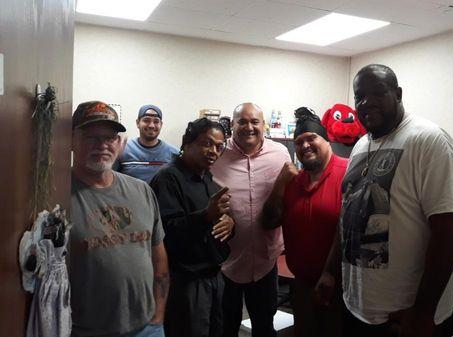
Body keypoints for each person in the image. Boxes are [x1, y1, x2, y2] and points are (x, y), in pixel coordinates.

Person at [317, 64, 453, 337]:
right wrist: (330, 271)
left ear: (398, 94)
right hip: (357, 306)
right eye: (360, 96)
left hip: (403, 316)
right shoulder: (362, 145)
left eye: (378, 92)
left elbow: (450, 227)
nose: (367, 102)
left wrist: (423, 312)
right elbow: (348, 216)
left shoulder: (429, 140)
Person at [69, 101, 169, 337]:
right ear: (71, 139)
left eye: (110, 137)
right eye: (91, 137)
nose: (102, 145)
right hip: (85, 330)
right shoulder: (55, 195)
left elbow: (159, 258)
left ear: (120, 142)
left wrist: (158, 316)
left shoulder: (141, 190)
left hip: (148, 327)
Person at [261, 107, 347, 337]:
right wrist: (280, 183)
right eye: (298, 142)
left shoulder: (348, 173)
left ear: (327, 141)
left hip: (341, 287)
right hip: (302, 285)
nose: (305, 145)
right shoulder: (293, 182)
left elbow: (352, 230)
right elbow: (268, 222)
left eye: (311, 138)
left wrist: (329, 273)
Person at [211, 103, 291, 337]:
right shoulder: (217, 153)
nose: (249, 127)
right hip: (225, 260)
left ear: (263, 124)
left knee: (265, 324)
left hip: (265, 259)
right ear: (232, 125)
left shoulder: (280, 154)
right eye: (242, 121)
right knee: (225, 325)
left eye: (254, 121)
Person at [150, 118, 235, 337]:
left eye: (219, 146)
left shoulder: (208, 179)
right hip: (186, 282)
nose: (213, 151)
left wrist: (230, 223)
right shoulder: (168, 179)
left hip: (215, 277)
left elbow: (219, 224)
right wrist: (207, 215)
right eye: (207, 143)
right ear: (187, 143)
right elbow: (168, 234)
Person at [116, 104, 178, 183]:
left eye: (156, 121)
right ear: (138, 123)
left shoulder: (174, 153)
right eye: (146, 120)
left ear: (161, 125)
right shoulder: (122, 150)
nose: (151, 125)